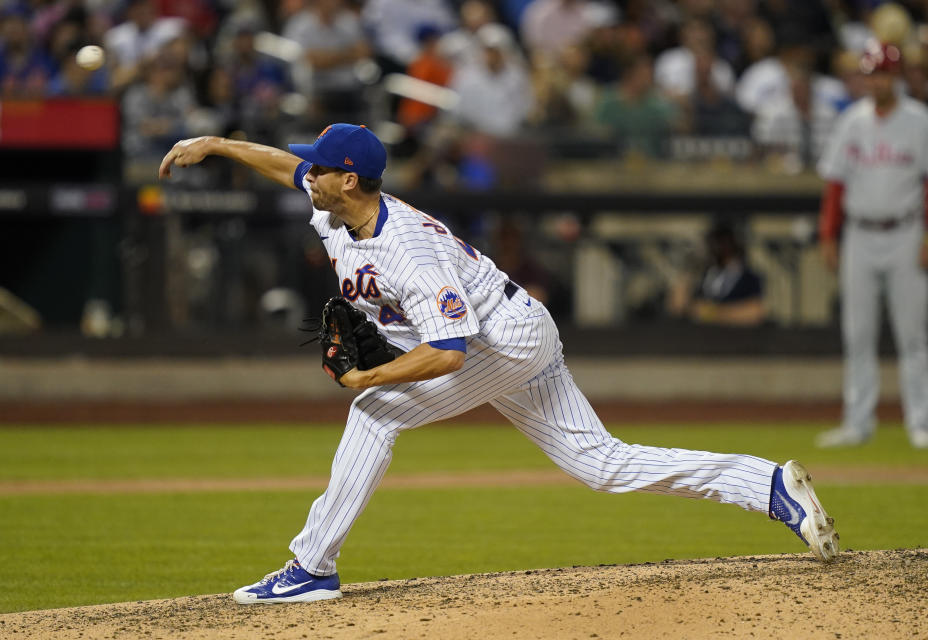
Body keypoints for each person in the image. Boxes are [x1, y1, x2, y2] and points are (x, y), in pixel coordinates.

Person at [159, 123, 839, 604]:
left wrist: (370, 376)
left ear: (350, 180)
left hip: (500, 340)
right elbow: (286, 165)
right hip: (514, 333)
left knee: (374, 411)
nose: (307, 173)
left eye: (321, 168)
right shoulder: (338, 210)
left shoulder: (406, 253)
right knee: (600, 463)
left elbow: (447, 353)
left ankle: (311, 566)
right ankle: (768, 485)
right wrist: (216, 145)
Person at [816, 41, 928, 450]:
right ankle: (857, 422)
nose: (876, 81)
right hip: (859, 233)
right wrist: (828, 234)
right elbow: (835, 184)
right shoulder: (852, 121)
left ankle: (921, 421)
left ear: (896, 76)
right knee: (857, 333)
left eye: (883, 74)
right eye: (871, 73)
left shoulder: (919, 120)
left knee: (912, 334)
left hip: (906, 232)